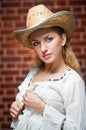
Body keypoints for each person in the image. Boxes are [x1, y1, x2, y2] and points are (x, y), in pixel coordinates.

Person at [10, 4, 86, 130]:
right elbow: (23, 111)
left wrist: (43, 108)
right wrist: (16, 107)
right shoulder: (33, 73)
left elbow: (77, 128)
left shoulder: (72, 81)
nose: (43, 49)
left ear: (62, 39)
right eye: (36, 43)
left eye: (49, 39)